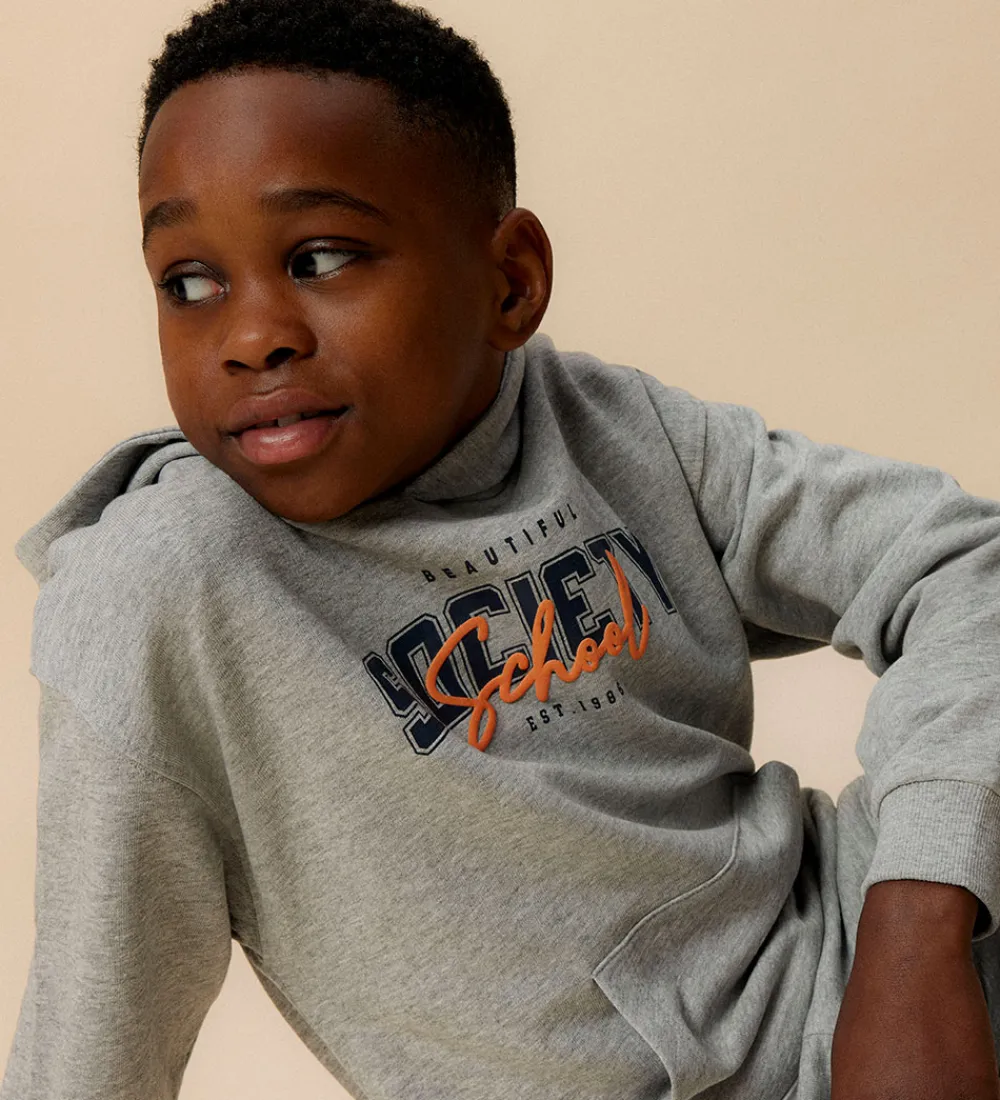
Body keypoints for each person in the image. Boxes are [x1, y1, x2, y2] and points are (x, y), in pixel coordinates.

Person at [3, 1, 1000, 1098]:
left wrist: (916, 939)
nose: (251, 337)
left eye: (321, 258)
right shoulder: (161, 592)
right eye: (189, 282)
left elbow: (964, 564)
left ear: (511, 282)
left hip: (924, 968)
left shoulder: (618, 431)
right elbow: (89, 1037)